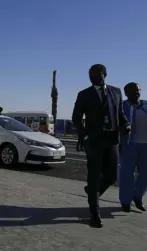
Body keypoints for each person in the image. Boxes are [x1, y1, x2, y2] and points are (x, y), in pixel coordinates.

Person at [72, 64, 131, 228]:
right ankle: (94, 214)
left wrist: (126, 125)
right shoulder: (84, 94)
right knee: (94, 175)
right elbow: (76, 117)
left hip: (112, 140)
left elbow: (120, 114)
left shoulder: (116, 92)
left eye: (95, 74)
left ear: (104, 75)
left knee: (111, 176)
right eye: (90, 74)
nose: (92, 76)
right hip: (94, 141)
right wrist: (84, 135)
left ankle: (92, 191)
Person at [119, 82, 147, 212]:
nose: (136, 93)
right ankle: (125, 201)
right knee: (127, 174)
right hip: (129, 145)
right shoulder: (122, 106)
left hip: (145, 146)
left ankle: (137, 196)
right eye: (133, 91)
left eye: (138, 90)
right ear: (126, 93)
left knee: (145, 174)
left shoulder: (146, 105)